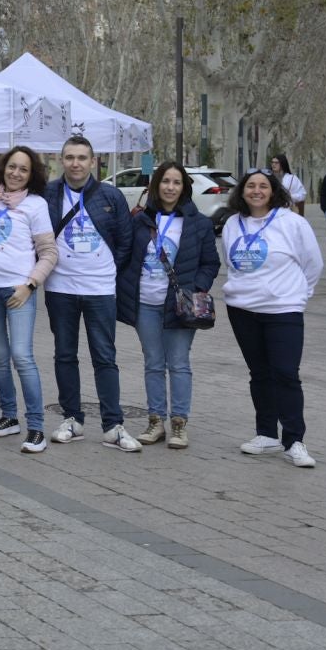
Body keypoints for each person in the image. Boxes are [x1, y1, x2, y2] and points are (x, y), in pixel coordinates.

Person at [221, 169, 323, 467]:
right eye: (250, 186)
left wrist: (299, 295)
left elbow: (313, 263)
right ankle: (266, 434)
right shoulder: (232, 223)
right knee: (259, 373)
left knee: (286, 373)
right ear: (241, 191)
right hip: (242, 310)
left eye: (263, 186)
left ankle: (295, 440)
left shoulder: (292, 222)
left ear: (273, 191)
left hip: (283, 310)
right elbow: (230, 260)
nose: (256, 191)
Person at [44, 135, 140, 451]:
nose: (75, 163)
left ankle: (113, 424)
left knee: (104, 356)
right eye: (69, 157)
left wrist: (108, 270)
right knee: (65, 354)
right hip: (60, 289)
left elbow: (126, 241)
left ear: (92, 161)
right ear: (62, 160)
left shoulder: (110, 196)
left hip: (100, 290)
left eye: (82, 158)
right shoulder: (48, 194)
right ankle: (72, 418)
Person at [121, 161, 219, 450]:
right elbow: (126, 256)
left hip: (179, 306)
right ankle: (155, 421)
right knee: (153, 363)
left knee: (178, 363)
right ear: (156, 185)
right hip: (146, 304)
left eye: (176, 182)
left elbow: (210, 262)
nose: (170, 187)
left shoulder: (198, 222)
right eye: (165, 181)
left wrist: (196, 289)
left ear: (184, 187)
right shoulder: (140, 220)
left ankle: (179, 423)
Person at [0, 146, 59, 452]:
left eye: (23, 169)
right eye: (12, 166)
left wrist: (30, 285)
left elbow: (49, 253)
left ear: (31, 174)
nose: (16, 173)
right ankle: (9, 416)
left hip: (17, 291)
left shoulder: (35, 205)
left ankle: (36, 427)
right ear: (2, 168)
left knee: (21, 356)